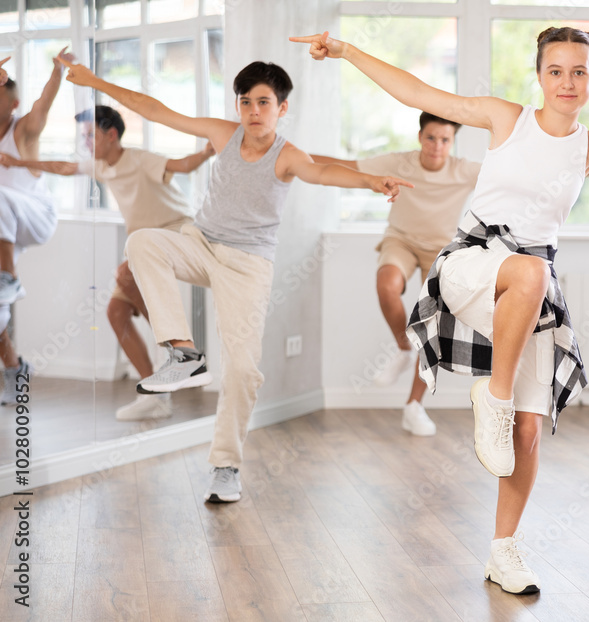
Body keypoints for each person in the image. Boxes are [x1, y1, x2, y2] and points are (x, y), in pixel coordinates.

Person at [291, 26, 589, 594]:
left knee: (528, 433)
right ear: (539, 75)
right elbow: (420, 94)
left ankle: (504, 551)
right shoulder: (508, 119)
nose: (567, 82)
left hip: (531, 288)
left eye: (580, 72)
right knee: (529, 272)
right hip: (474, 263)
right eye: (556, 71)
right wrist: (347, 50)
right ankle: (492, 400)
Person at [58, 58, 413, 502]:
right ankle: (183, 353)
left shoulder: (287, 155)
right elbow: (152, 109)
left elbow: (324, 173)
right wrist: (94, 82)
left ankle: (225, 466)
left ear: (282, 108)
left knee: (243, 370)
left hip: (247, 266)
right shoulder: (224, 134)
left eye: (264, 102)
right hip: (200, 243)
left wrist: (370, 182)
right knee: (144, 242)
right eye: (246, 102)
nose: (253, 111)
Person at [0, 105, 214, 421]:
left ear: (111, 135)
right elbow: (62, 167)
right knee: (116, 312)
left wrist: (209, 150)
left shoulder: (139, 159)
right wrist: (19, 162)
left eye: (90, 135)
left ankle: (183, 352)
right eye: (83, 136)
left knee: (124, 273)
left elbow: (183, 165)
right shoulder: (102, 166)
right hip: (141, 245)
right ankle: (156, 394)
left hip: (173, 234)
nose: (85, 142)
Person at [311, 112, 481, 436]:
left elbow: (516, 179)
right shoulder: (399, 162)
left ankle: (413, 406)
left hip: (440, 248)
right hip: (400, 239)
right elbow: (346, 164)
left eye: (445, 140)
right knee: (387, 285)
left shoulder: (464, 170)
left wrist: (584, 167)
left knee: (432, 325)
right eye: (431, 138)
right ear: (420, 137)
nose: (437, 146)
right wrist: (288, 155)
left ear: (453, 142)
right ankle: (403, 348)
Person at [0, 48, 75, 406]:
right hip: (6, 229)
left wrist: (57, 72)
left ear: (12, 104)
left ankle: (8, 280)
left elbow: (44, 105)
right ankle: (15, 369)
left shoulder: (23, 130)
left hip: (36, 216)